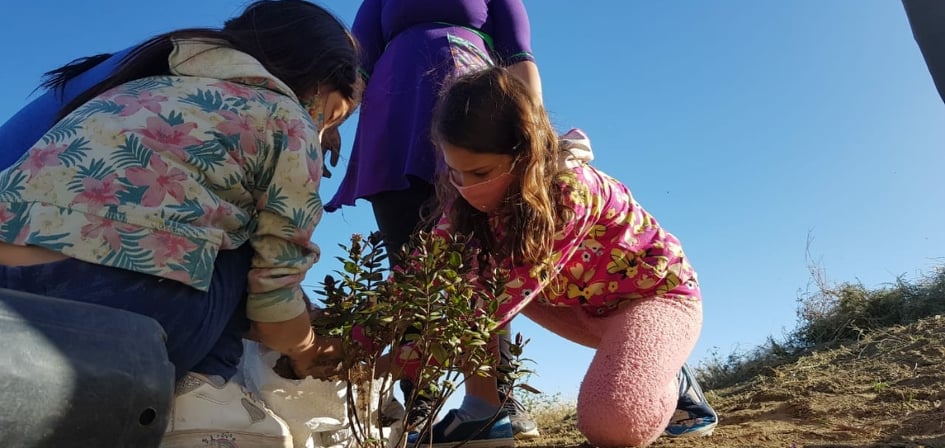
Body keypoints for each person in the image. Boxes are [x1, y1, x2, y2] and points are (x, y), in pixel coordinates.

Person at [0, 1, 360, 447]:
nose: (323, 134)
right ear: (318, 81)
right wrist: (307, 350)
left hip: (12, 300)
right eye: (331, 118)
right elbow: (273, 306)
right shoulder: (285, 118)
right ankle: (204, 399)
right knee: (244, 240)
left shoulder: (132, 90)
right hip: (124, 314)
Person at [402, 67, 718, 448]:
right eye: (456, 173)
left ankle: (668, 375)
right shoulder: (469, 207)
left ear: (524, 153)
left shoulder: (572, 191)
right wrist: (352, 339)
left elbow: (493, 306)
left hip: (659, 300)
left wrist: (408, 358)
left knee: (612, 422)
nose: (467, 188)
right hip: (589, 311)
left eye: (480, 172)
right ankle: (483, 411)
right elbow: (422, 271)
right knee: (476, 277)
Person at [323, 0, 543, 438]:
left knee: (486, 259)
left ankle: (500, 399)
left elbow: (518, 55)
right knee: (408, 265)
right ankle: (418, 409)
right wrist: (328, 123)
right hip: (394, 122)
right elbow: (357, 65)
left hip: (476, 123)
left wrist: (535, 130)